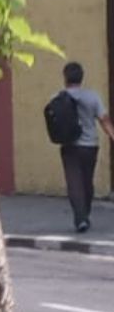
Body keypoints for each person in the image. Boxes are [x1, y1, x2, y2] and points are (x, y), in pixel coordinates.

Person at [56, 61, 111, 232]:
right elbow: (104, 120)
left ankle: (81, 218)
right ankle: (84, 214)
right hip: (90, 146)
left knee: (74, 183)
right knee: (87, 181)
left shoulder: (58, 97)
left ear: (65, 78)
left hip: (69, 146)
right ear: (82, 77)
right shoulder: (92, 97)